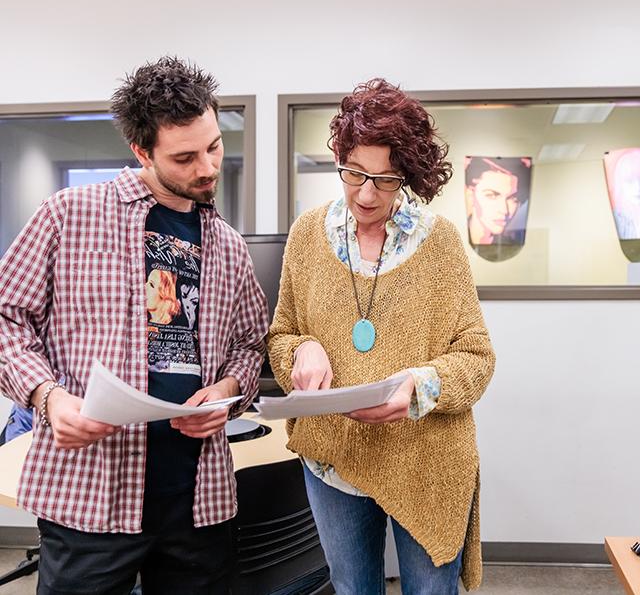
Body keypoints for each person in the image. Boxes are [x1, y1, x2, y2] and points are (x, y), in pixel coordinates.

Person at [0, 56, 268, 594]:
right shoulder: (67, 216)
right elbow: (7, 317)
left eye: (213, 146)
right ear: (142, 151)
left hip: (198, 498)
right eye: (185, 157)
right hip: (90, 496)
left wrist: (227, 389)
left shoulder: (228, 245)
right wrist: (47, 397)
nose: (208, 168)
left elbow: (249, 343)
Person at [268, 78, 495, 594]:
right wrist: (302, 348)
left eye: (386, 179)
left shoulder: (436, 242)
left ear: (407, 176)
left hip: (424, 459)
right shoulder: (307, 235)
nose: (366, 194)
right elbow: (281, 336)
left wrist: (419, 386)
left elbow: (477, 358)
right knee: (351, 589)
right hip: (334, 458)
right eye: (353, 173)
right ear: (340, 160)